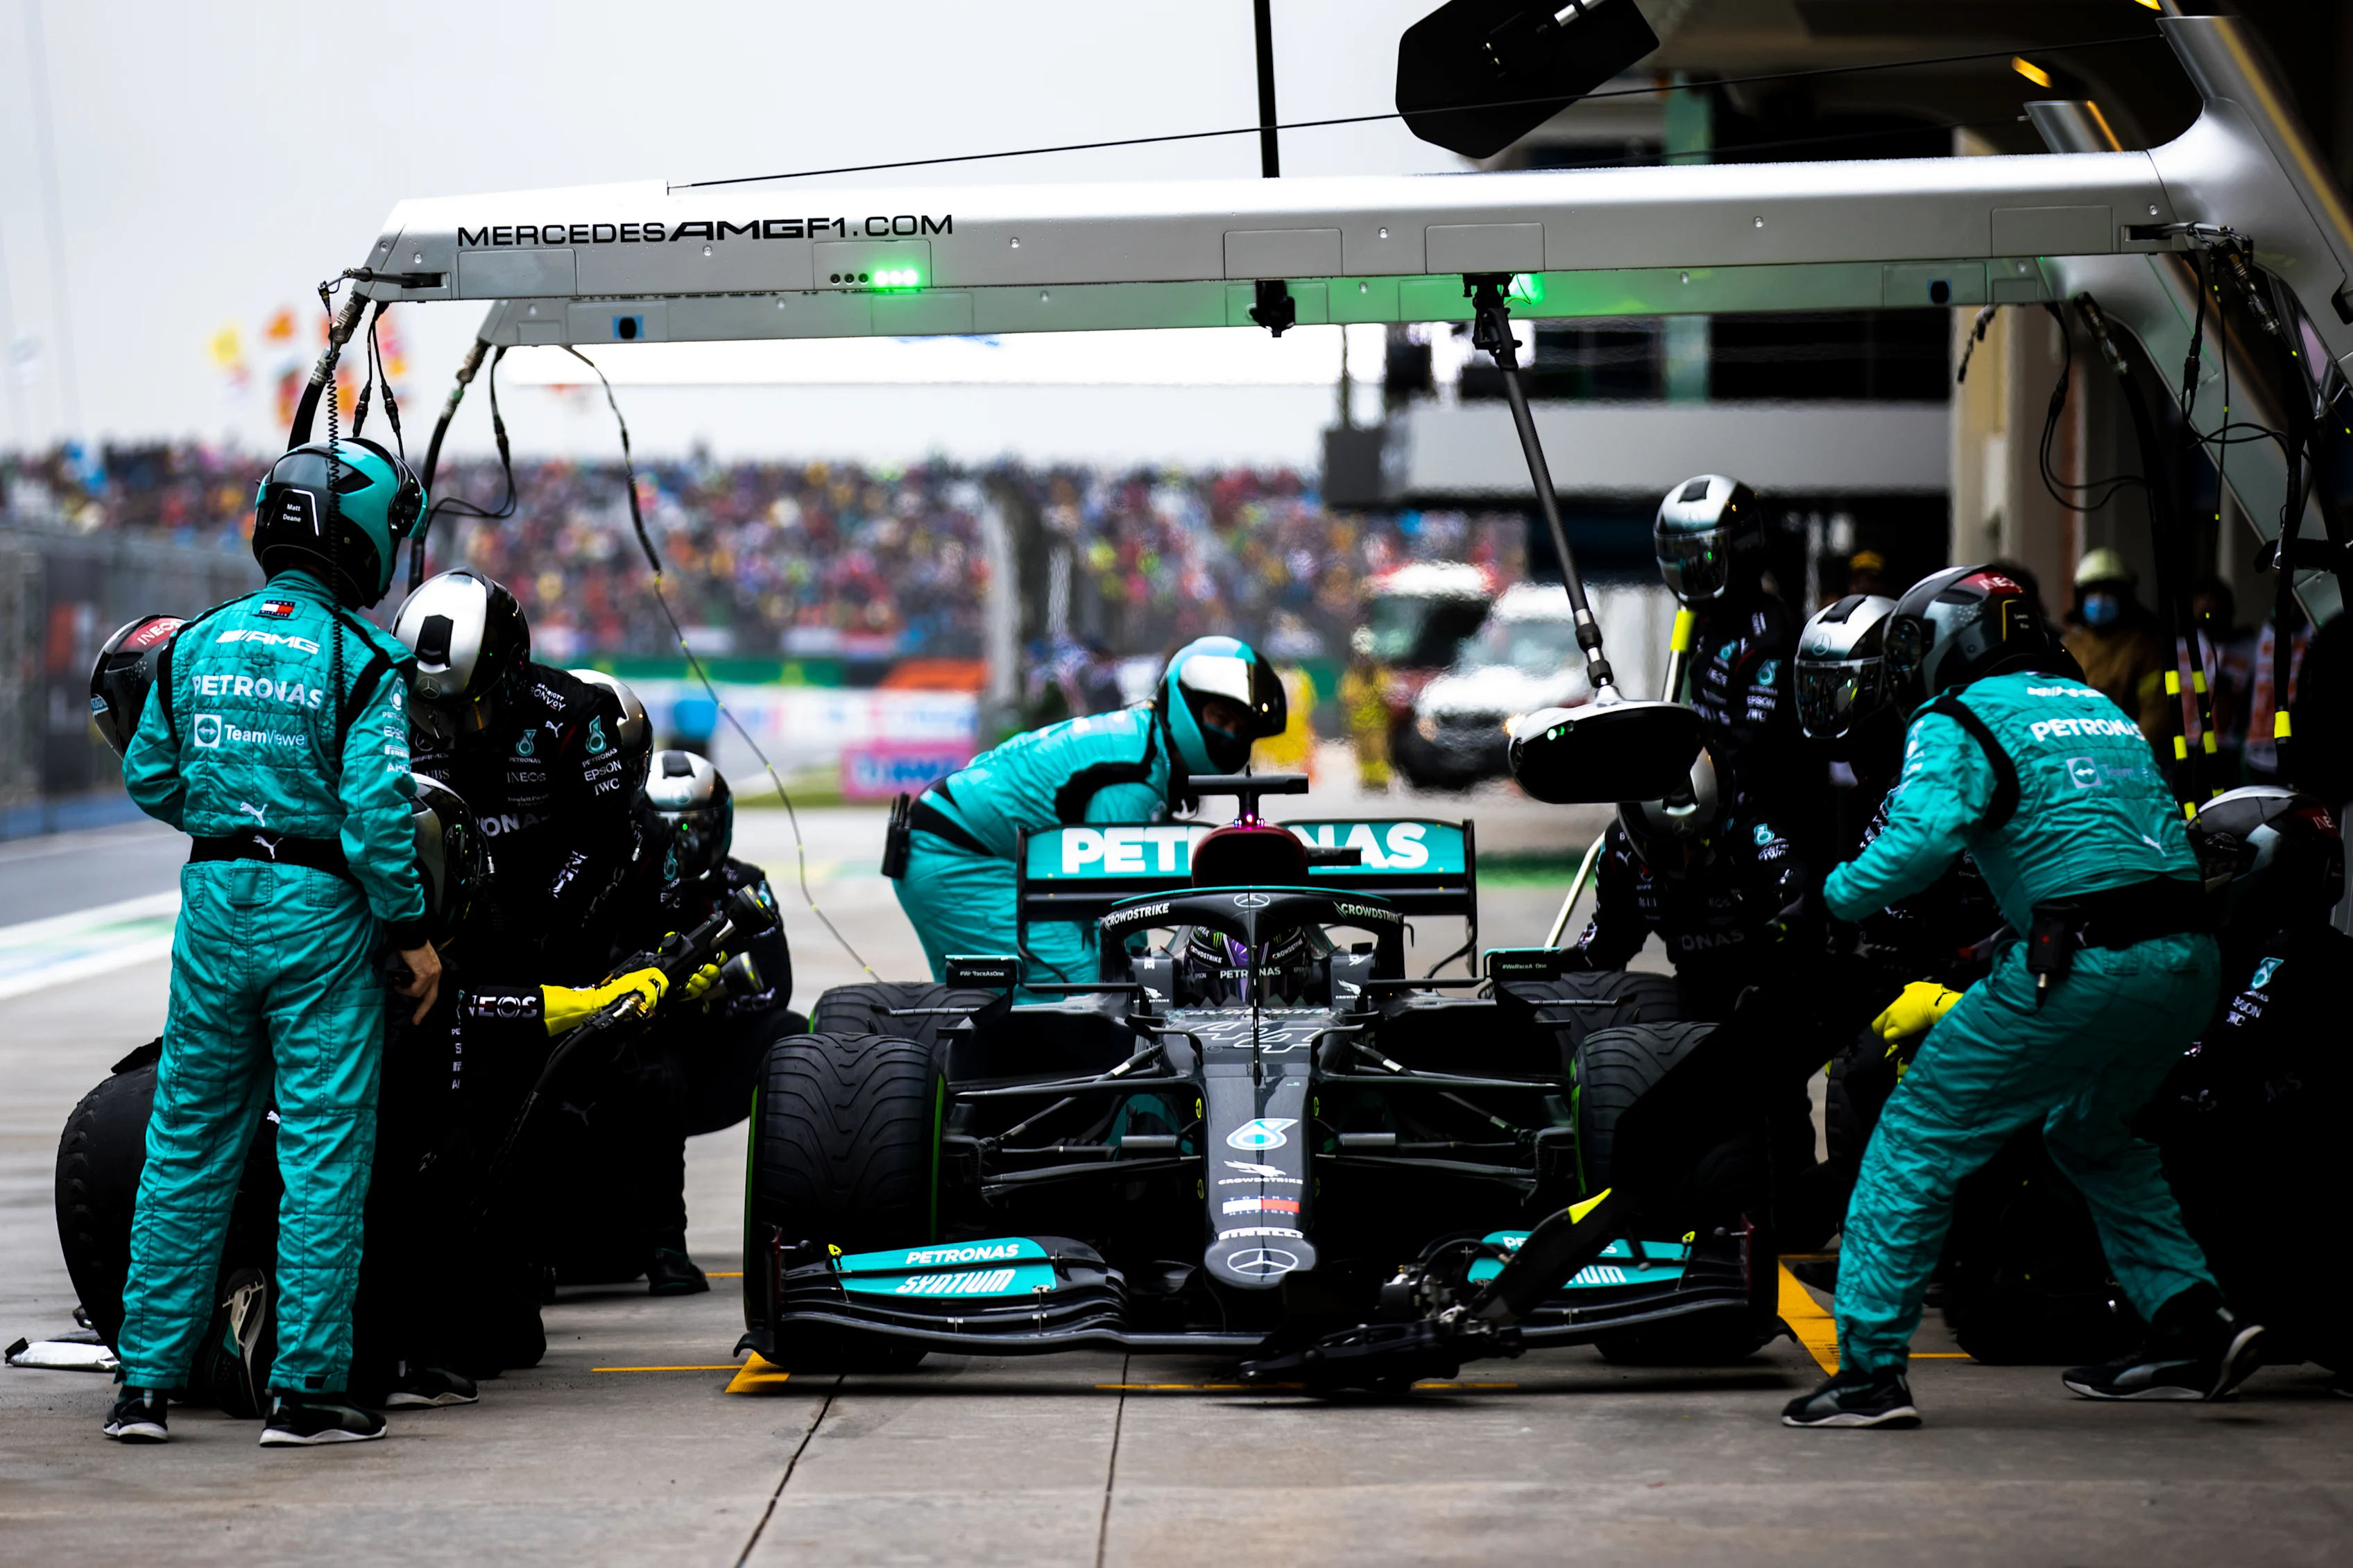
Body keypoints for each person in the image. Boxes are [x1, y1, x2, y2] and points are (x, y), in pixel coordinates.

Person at [1783, 565, 2260, 1429]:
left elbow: (1920, 840)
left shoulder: (1957, 714)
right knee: (2091, 1134)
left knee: (1914, 1134)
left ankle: (1866, 1377)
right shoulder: (2095, 708)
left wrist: (1828, 899)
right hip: (2189, 961)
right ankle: (2193, 1324)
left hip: (2083, 961)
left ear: (1945, 644)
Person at [107, 438, 441, 1447]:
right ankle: (303, 1391)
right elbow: (378, 818)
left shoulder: (196, 642)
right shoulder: (365, 659)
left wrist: (232, 817)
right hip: (320, 913)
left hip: (213, 902)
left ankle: (143, 1387)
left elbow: (149, 776)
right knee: (323, 1152)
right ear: (364, 539)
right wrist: (413, 931)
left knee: (185, 1144)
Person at [891, 637, 1286, 986]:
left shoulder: (1143, 743)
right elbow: (1119, 903)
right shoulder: (1137, 772)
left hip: (962, 846)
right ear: (1186, 705)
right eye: (1220, 719)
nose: (1230, 735)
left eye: (1241, 729)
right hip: (960, 856)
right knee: (1084, 989)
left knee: (1051, 990)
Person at [393, 570, 640, 981]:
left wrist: (545, 916)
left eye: (465, 712)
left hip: (560, 931)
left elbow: (606, 836)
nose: (445, 732)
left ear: (513, 674)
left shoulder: (575, 716)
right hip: (442, 935)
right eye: (427, 711)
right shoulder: (393, 719)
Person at [1652, 474, 1804, 825]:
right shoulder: (1700, 621)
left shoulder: (1769, 635)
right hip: (1712, 795)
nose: (1691, 572)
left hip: (1767, 810)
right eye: (1681, 557)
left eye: (1704, 557)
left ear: (1742, 551)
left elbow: (1754, 747)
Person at [2060, 549, 2170, 748]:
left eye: (2108, 592)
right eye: (2093, 592)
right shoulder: (2071, 646)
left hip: (2125, 750)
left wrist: (2134, 751)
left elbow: (2154, 710)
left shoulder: (2144, 647)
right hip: (2076, 750)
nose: (2100, 600)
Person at [1340, 627, 1394, 793]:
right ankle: (1368, 780)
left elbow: (1387, 694)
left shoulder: (1380, 673)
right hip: (1359, 724)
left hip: (1377, 724)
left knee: (1378, 751)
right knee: (1363, 753)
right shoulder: (1353, 675)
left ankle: (1381, 781)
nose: (1364, 659)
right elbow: (1347, 697)